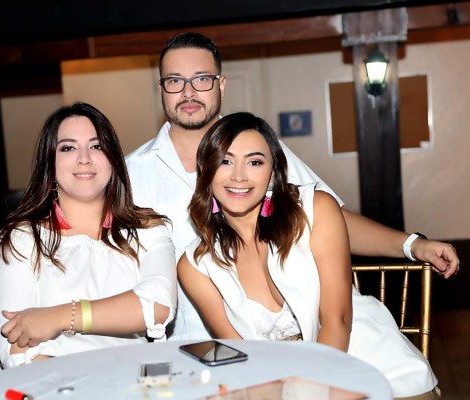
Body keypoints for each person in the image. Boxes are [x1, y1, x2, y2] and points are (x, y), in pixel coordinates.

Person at [124, 32, 460, 340]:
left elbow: (324, 217)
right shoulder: (129, 175)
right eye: (175, 80)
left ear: (221, 85)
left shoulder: (263, 151)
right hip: (185, 345)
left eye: (201, 79)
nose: (188, 92)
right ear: (161, 88)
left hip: (306, 332)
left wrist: (411, 245)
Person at [177, 111, 440, 399]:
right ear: (206, 171)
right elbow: (240, 355)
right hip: (282, 388)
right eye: (225, 161)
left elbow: (338, 320)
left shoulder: (316, 210)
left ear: (273, 173)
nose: (238, 176)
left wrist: (309, 392)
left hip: (376, 370)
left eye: (255, 162)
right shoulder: (196, 266)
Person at [0, 102, 177, 371]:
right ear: (49, 163)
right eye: (68, 148)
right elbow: (16, 353)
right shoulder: (20, 239)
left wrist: (60, 316)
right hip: (48, 385)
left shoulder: (148, 230)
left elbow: (158, 306)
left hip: (130, 380)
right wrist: (92, 383)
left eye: (96, 146)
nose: (84, 158)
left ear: (113, 159)